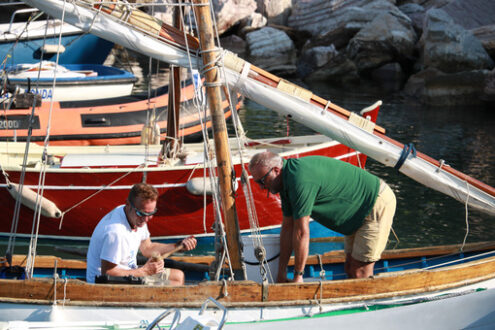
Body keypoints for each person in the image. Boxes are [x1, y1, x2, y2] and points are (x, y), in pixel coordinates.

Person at [248, 152, 396, 282]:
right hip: (356, 211)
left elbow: (301, 232)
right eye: (257, 183)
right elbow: (288, 228)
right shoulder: (284, 183)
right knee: (349, 267)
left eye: (262, 181)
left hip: (374, 203)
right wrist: (280, 273)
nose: (261, 187)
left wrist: (298, 276)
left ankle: (365, 311)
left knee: (359, 272)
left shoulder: (299, 180)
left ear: (276, 170)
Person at [86, 183, 197, 285]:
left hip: (128, 272)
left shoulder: (135, 217)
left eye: (151, 213)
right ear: (128, 204)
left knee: (178, 276)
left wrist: (179, 246)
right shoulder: (115, 233)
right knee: (175, 284)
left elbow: (147, 248)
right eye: (141, 213)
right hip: (105, 282)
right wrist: (144, 271)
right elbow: (108, 272)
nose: (146, 219)